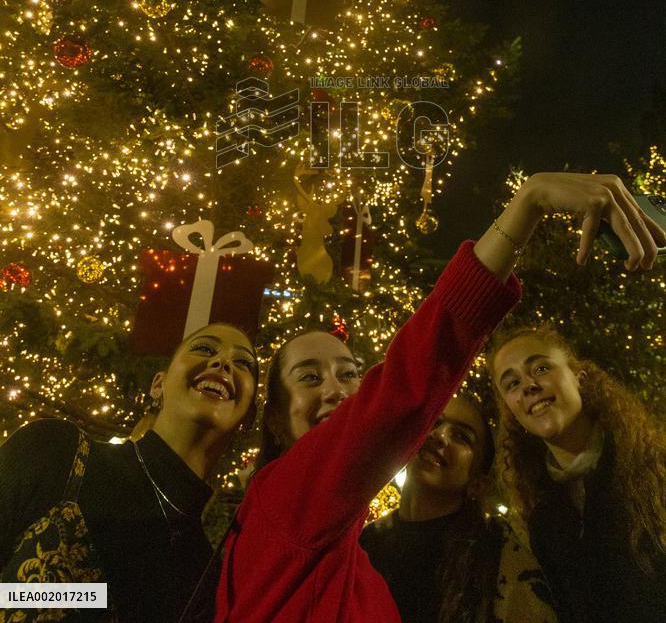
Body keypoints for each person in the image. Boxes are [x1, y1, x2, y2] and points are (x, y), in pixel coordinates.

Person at [214, 172, 664, 623]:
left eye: (351, 374)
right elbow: (410, 379)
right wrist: (528, 202)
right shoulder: (284, 498)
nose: (337, 390)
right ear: (273, 418)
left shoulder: (354, 551)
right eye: (309, 377)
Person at [0, 322, 258, 623]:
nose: (223, 362)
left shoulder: (207, 575)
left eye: (242, 363)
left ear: (248, 417)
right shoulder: (57, 451)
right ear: (158, 385)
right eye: (204, 348)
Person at [489, 322, 666, 623]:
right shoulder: (539, 517)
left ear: (580, 378)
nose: (529, 385)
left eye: (541, 368)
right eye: (512, 384)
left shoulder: (655, 470)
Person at [360, 394, 557, 623]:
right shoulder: (367, 541)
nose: (440, 436)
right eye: (436, 422)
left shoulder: (497, 549)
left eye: (461, 437)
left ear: (478, 483)